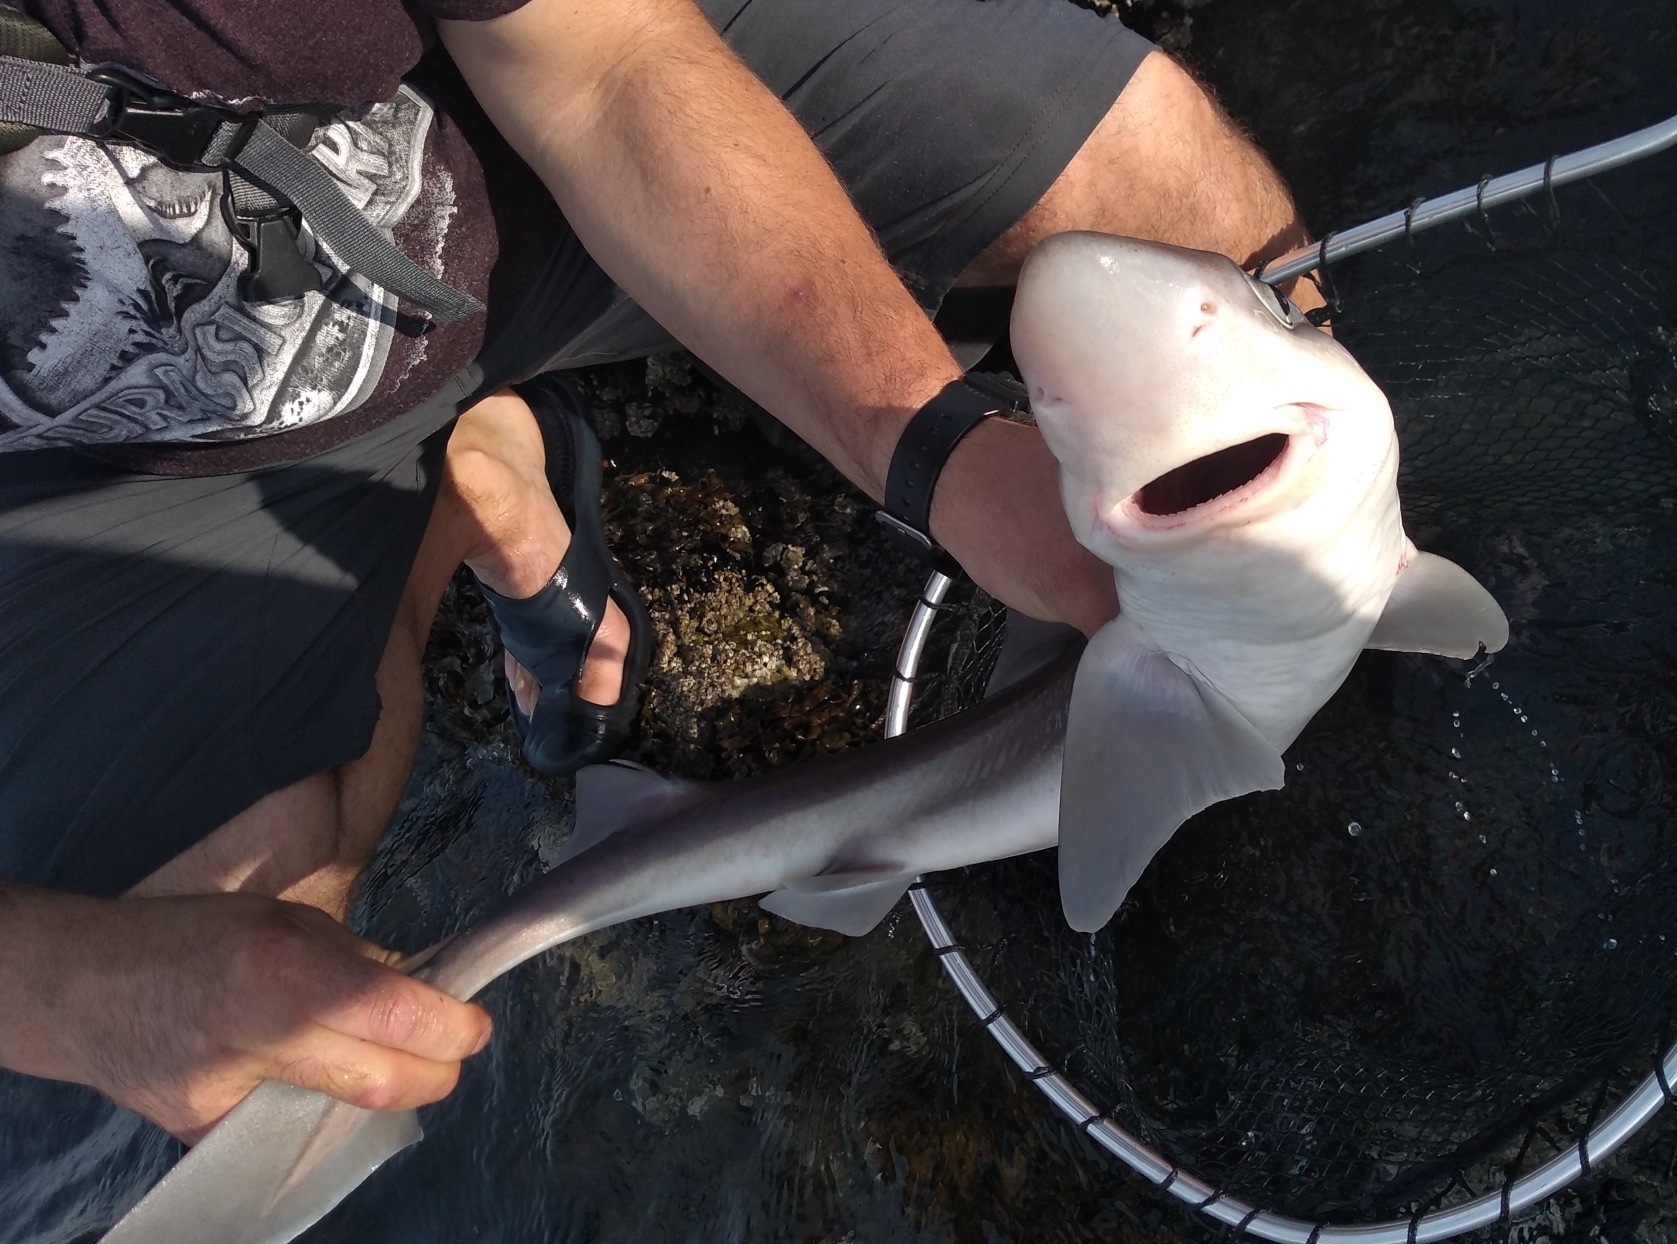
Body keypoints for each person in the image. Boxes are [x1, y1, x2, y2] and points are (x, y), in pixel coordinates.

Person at [0, 0, 1319, 1145]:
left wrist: (927, 445)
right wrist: (76, 989)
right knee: (250, 993)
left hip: (482, 140)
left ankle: (470, 439)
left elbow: (602, 63)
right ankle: (466, 478)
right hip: (133, 453)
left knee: (1176, 212)